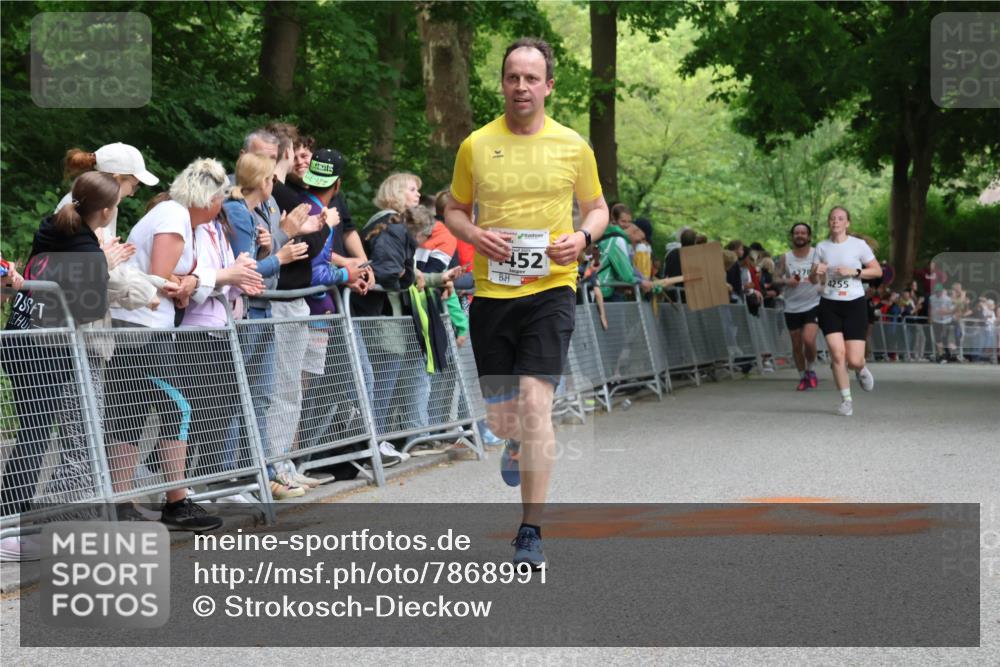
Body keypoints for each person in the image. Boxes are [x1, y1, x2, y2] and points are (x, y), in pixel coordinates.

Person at [444, 37, 609, 568]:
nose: (521, 86)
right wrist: (475, 235)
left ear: (548, 86)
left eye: (531, 78)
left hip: (551, 289)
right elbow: (454, 211)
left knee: (537, 408)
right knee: (504, 421)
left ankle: (530, 530)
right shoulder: (475, 145)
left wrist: (582, 239)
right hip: (492, 293)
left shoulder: (573, 146)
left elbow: (598, 208)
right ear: (503, 83)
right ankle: (512, 443)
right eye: (513, 77)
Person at [104, 158, 234, 531]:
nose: (222, 205)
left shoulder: (172, 214)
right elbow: (158, 277)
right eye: (220, 197)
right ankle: (176, 502)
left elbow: (159, 275)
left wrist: (181, 283)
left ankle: (122, 503)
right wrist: (179, 285)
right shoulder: (174, 217)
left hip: (136, 326)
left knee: (131, 413)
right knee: (176, 407)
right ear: (208, 198)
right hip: (144, 330)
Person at [810, 206, 882, 417]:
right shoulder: (822, 247)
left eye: (840, 218)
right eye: (832, 218)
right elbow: (813, 280)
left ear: (847, 223)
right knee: (837, 354)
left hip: (854, 304)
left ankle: (860, 369)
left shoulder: (859, 245)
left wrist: (855, 271)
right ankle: (846, 400)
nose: (836, 221)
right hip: (829, 303)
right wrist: (816, 271)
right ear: (829, 223)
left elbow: (877, 271)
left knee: (854, 359)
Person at [55, 143, 160, 241]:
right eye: (133, 186)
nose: (132, 194)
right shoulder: (74, 204)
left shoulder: (110, 207)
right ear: (116, 179)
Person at [774, 223, 821, 391]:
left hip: (813, 303)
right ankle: (802, 377)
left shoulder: (817, 254)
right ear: (792, 236)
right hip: (792, 306)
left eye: (803, 233)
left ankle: (811, 369)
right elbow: (775, 278)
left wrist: (819, 281)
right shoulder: (784, 258)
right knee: (796, 344)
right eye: (796, 233)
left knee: (808, 340)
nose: (799, 235)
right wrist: (787, 281)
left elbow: (825, 277)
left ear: (808, 237)